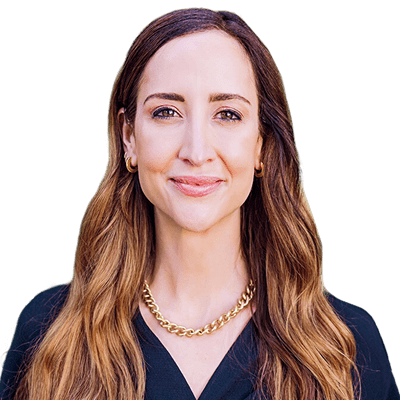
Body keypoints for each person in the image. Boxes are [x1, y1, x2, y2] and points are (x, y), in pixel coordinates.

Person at [0, 7, 398, 400]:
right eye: (166, 112)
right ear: (129, 137)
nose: (196, 151)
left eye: (227, 114)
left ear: (260, 144)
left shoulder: (347, 346)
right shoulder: (48, 332)